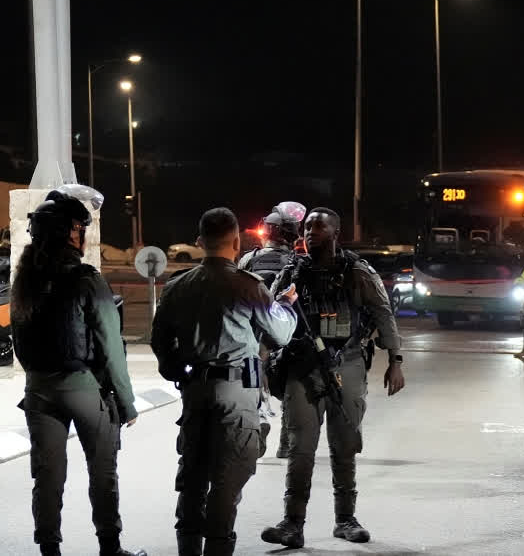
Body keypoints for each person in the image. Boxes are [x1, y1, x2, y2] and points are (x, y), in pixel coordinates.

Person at [151, 207, 298, 556]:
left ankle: (187, 546)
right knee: (228, 477)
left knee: (193, 475)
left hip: (195, 390)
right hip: (236, 393)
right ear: (235, 241)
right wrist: (287, 306)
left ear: (200, 242)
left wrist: (178, 373)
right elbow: (279, 334)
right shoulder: (248, 286)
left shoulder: (177, 285)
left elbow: (160, 341)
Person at [11, 190, 146, 556]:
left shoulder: (25, 281)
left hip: (39, 392)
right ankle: (109, 547)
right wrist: (128, 402)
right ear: (72, 232)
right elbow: (111, 347)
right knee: (102, 471)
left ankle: (49, 549)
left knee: (47, 475)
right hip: (83, 389)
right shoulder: (86, 278)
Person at [261, 207, 406, 548]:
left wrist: (395, 359)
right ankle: (292, 523)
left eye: (319, 227)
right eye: (308, 227)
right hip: (302, 367)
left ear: (335, 232)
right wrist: (262, 362)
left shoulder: (357, 272)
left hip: (348, 363)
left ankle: (346, 519)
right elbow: (269, 319)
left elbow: (383, 314)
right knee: (300, 450)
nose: (310, 232)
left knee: (344, 447)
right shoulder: (292, 271)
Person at [239, 200, 307, 458]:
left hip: (255, 335)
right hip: (288, 330)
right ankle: (286, 443)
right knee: (291, 386)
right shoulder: (298, 263)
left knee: (255, 380)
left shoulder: (248, 259)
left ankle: (258, 422)